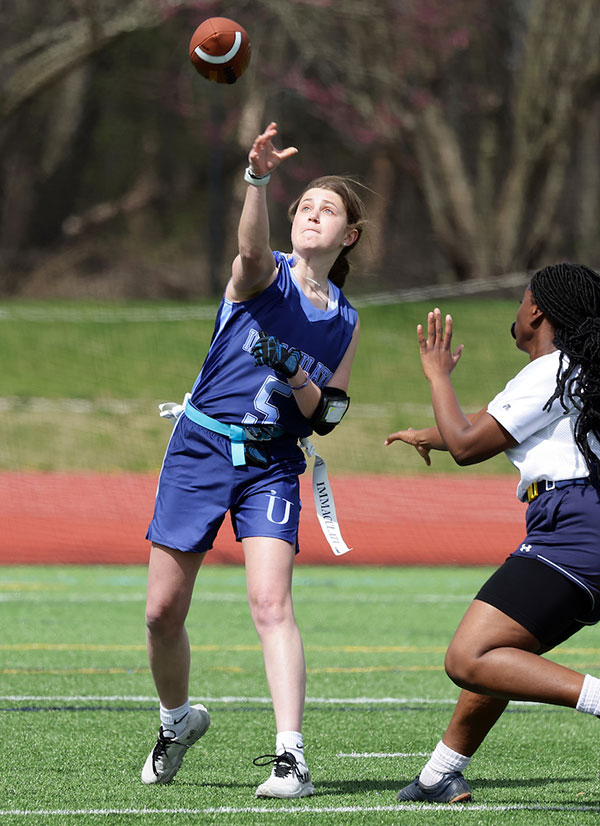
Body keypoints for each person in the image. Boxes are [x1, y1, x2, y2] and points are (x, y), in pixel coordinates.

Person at [141, 122, 366, 798]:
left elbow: (326, 414)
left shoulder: (347, 321)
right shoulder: (262, 274)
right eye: (304, 206)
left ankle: (291, 758)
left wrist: (298, 373)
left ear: (348, 235)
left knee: (271, 603)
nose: (311, 213)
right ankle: (177, 721)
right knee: (160, 613)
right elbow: (245, 246)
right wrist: (258, 180)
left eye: (325, 209)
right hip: (202, 448)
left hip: (271, 463)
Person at [385, 262, 600, 804]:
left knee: (469, 658)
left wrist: (437, 375)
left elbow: (468, 446)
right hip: (585, 527)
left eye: (522, 299)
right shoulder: (577, 373)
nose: (517, 308)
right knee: (504, 650)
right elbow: (485, 426)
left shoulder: (551, 369)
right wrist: (430, 434)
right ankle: (440, 774)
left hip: (573, 530)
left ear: (537, 312)